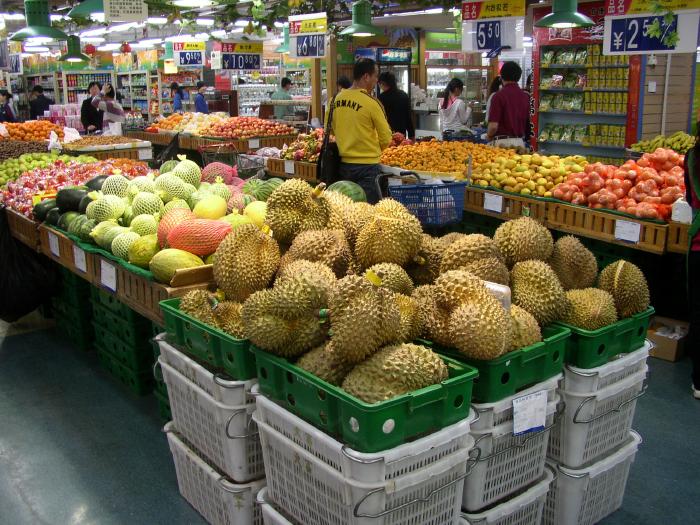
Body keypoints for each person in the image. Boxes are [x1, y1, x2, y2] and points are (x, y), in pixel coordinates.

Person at [327, 59, 392, 204]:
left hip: (343, 166)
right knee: (367, 213)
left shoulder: (334, 100)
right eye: (375, 76)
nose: (376, 81)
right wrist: (374, 149)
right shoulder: (371, 103)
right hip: (368, 167)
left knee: (347, 212)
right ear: (366, 77)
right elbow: (386, 137)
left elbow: (330, 129)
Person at [683, 127, 700, 399]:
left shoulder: (692, 156)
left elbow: (688, 198)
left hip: (697, 244)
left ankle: (698, 380)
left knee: (698, 312)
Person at [486, 61, 530, 148]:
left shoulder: (498, 96)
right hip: (520, 143)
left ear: (502, 76)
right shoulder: (525, 96)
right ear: (519, 77)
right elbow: (528, 123)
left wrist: (489, 136)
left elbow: (493, 126)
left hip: (502, 144)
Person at [377, 71, 415, 140]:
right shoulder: (404, 95)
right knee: (402, 151)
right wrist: (412, 136)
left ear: (383, 83)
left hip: (386, 136)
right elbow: (408, 118)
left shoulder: (381, 98)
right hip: (401, 135)